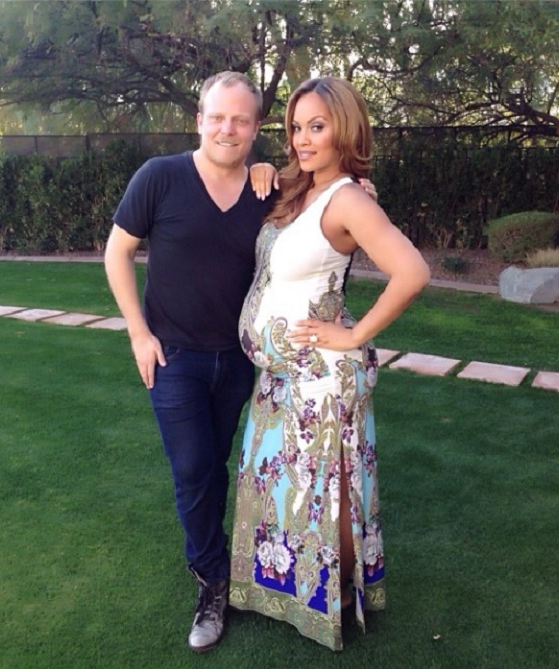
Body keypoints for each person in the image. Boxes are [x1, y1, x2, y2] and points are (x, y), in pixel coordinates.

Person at [104, 70, 377, 653]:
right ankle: (211, 579)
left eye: (241, 120)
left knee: (223, 466)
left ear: (255, 128)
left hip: (239, 364)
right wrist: (138, 333)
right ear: (199, 120)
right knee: (193, 468)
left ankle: (240, 563)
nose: (227, 129)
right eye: (217, 117)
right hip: (173, 358)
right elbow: (117, 251)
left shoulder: (269, 192)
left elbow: (328, 199)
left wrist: (356, 189)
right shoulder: (159, 177)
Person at [229, 76, 430, 651]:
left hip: (321, 377)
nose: (302, 139)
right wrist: (263, 169)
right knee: (284, 488)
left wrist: (356, 334)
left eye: (316, 126)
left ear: (344, 128)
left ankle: (335, 596)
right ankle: (289, 591)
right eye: (296, 127)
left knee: (327, 491)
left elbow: (412, 271)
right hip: (280, 377)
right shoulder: (302, 188)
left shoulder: (348, 198)